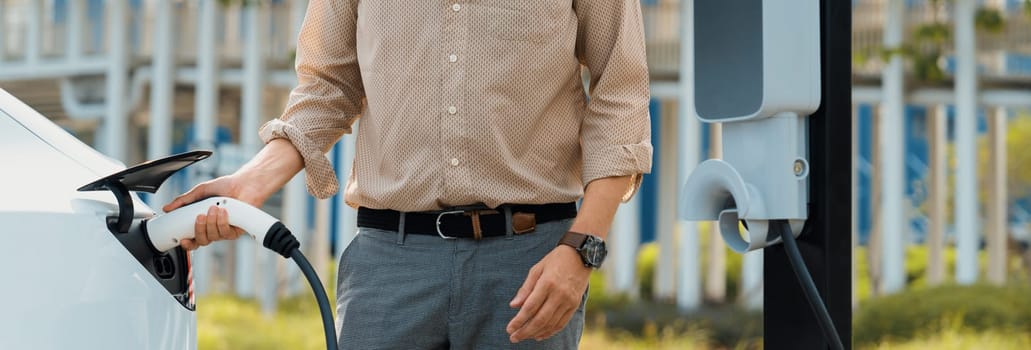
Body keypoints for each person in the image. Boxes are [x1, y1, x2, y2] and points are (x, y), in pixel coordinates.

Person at [164, 0, 652, 348]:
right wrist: (250, 184)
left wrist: (582, 250)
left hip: (527, 263)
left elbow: (621, 91)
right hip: (389, 268)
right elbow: (330, 85)